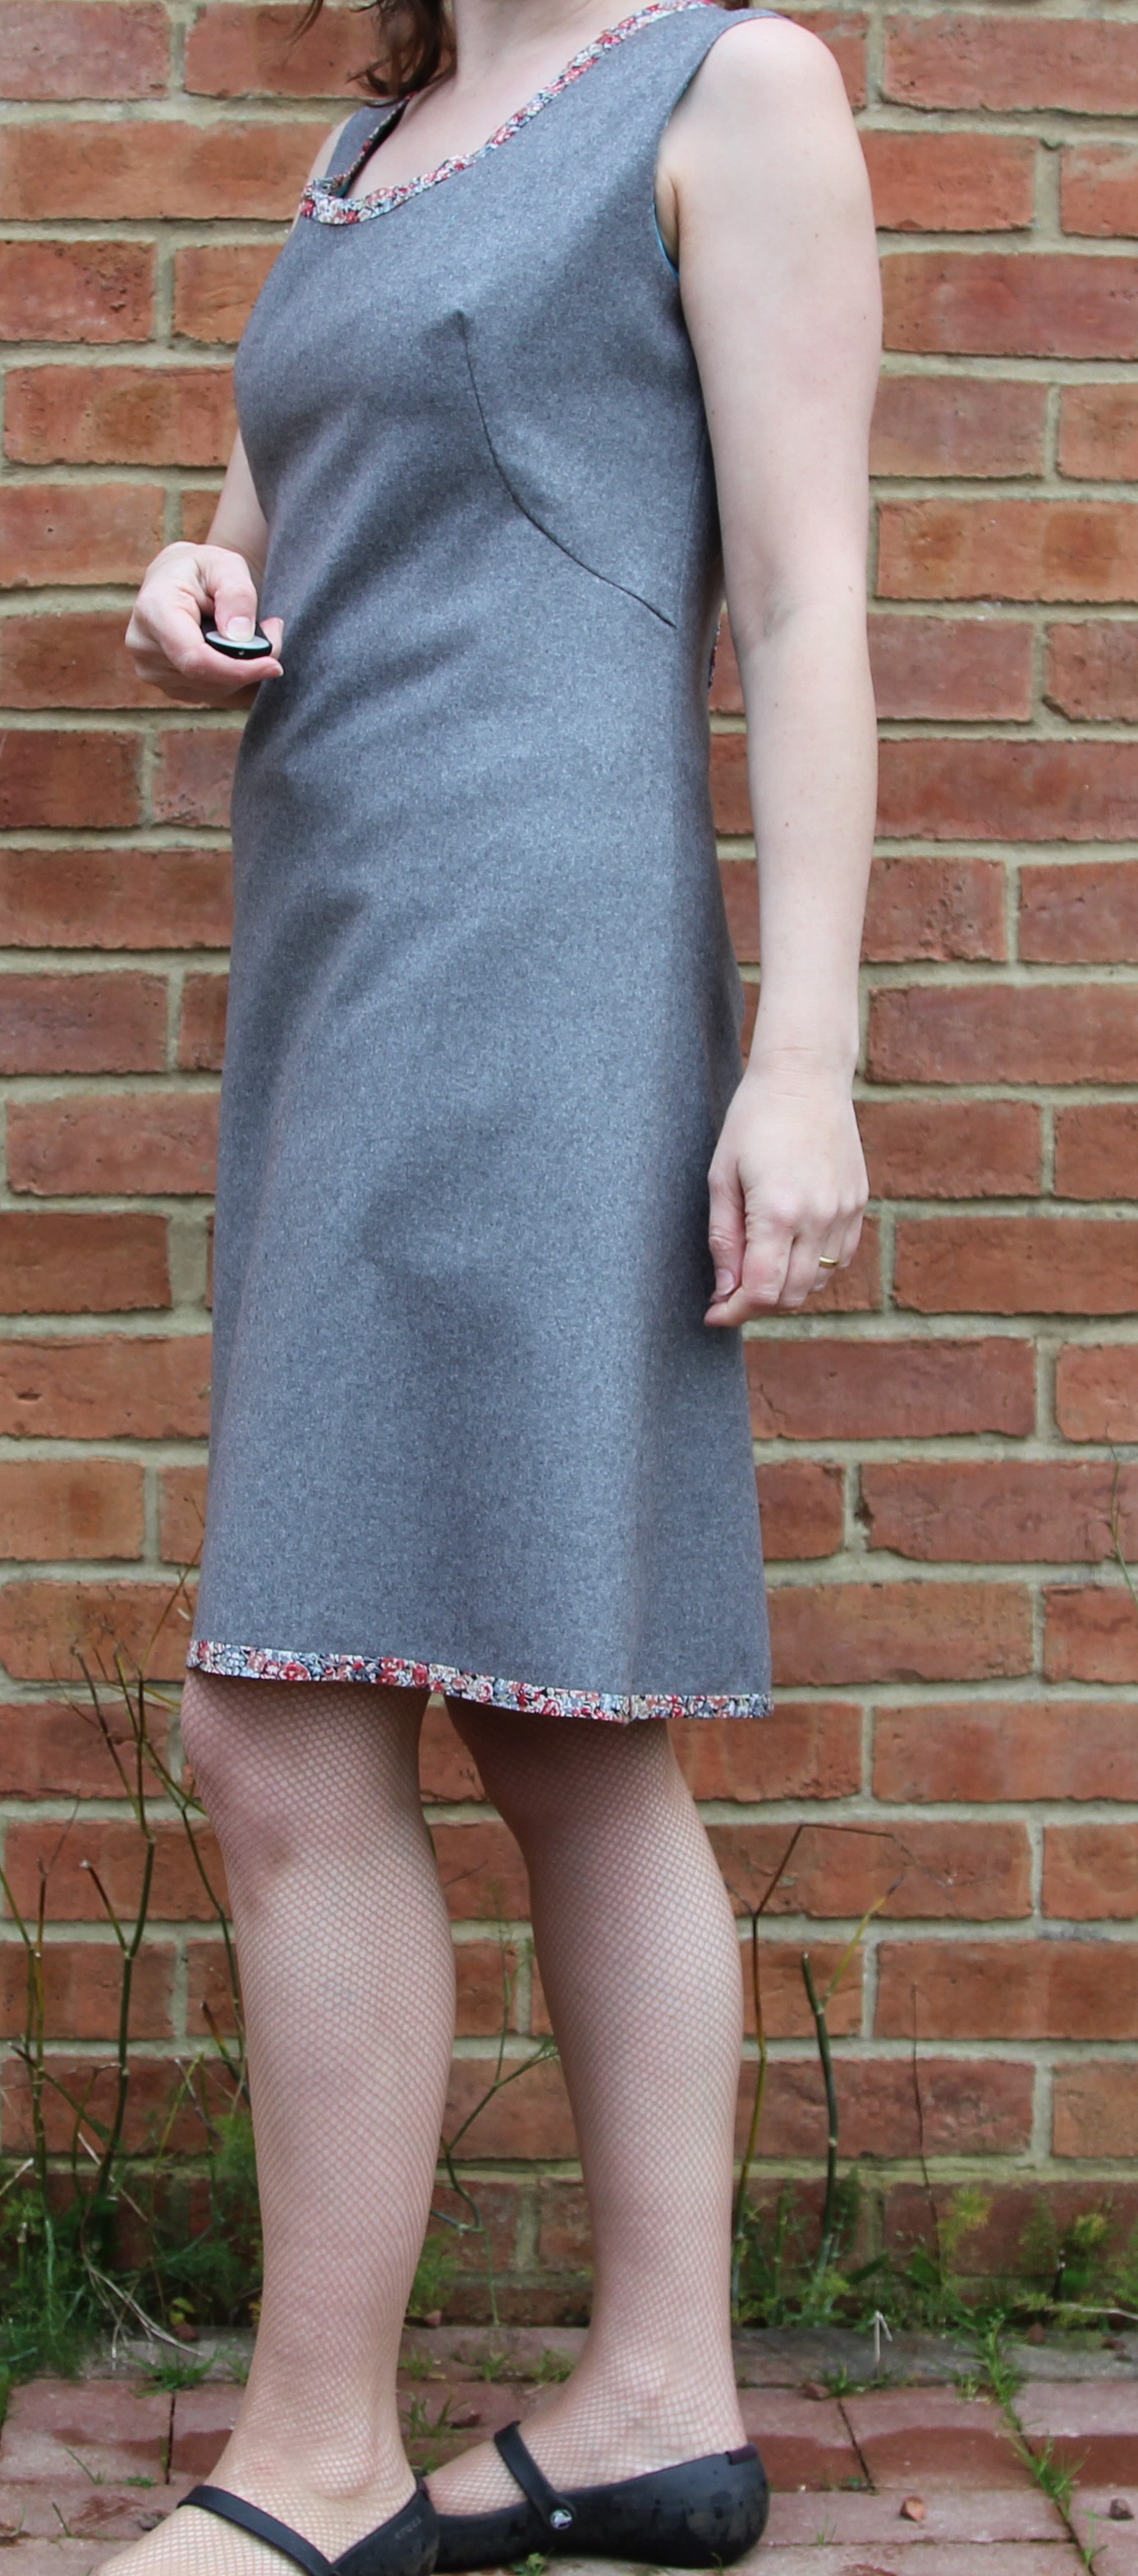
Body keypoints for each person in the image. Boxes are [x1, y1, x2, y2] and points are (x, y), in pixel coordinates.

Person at [116, 0, 879, 2567]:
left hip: (531, 954)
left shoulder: (724, 84)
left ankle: (320, 2451)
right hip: (341, 942)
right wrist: (198, 583)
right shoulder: (371, 142)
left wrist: (803, 1058)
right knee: (563, 1718)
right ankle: (656, 2398)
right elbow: (275, 515)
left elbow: (802, 595)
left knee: (276, 1716)